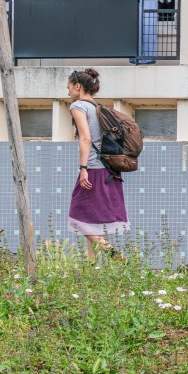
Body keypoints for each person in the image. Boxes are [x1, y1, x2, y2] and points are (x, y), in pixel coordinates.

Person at [66, 69, 128, 260]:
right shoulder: (99, 107)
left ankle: (111, 252)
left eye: (68, 87)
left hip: (93, 168)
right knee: (91, 219)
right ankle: (91, 265)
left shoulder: (78, 106)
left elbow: (85, 139)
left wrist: (83, 168)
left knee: (77, 217)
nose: (68, 91)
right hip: (109, 169)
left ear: (78, 86)